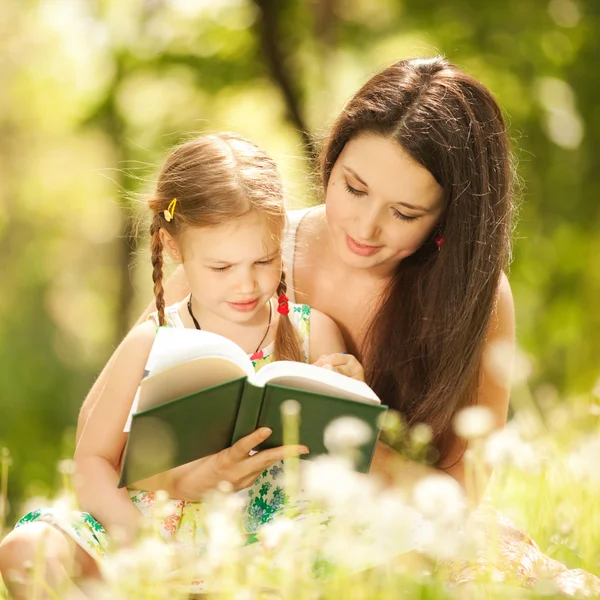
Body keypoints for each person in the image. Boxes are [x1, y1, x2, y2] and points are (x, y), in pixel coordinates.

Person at [0, 132, 362, 598]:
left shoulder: (315, 332)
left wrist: (351, 389)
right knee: (27, 549)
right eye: (221, 267)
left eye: (264, 260)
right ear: (174, 250)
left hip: (269, 536)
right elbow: (92, 462)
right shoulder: (153, 338)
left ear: (280, 240)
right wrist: (139, 540)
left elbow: (343, 462)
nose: (246, 284)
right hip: (158, 529)